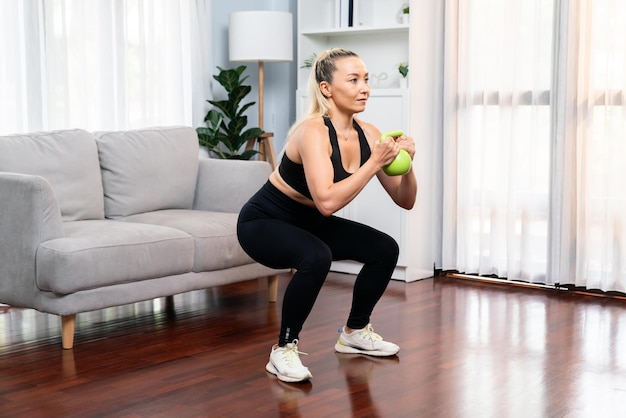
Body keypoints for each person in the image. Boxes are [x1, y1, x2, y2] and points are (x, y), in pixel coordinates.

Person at [236, 48, 417, 383]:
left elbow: (404, 200)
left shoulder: (370, 134)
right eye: (353, 79)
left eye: (365, 79)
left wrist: (407, 165)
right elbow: (328, 203)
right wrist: (373, 163)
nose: (364, 87)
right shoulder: (312, 132)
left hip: (309, 222)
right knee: (316, 255)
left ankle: (354, 331)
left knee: (384, 248)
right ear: (326, 88)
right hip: (264, 221)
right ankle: (283, 350)